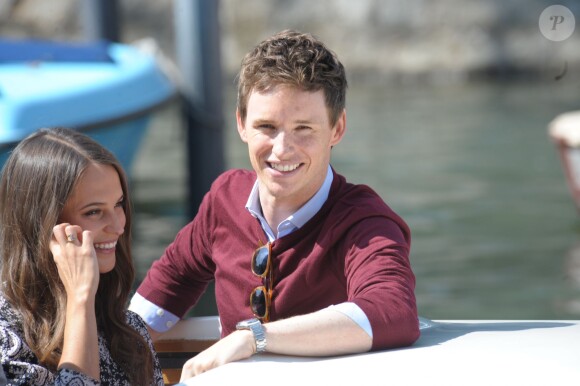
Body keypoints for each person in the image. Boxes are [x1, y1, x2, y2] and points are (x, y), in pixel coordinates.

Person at [130, 29, 419, 380]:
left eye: (303, 129)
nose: (282, 149)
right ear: (241, 125)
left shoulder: (365, 222)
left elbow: (393, 311)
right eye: (267, 126)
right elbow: (169, 286)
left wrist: (254, 338)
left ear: (337, 128)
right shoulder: (224, 198)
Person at [0, 128, 164, 385]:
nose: (118, 226)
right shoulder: (6, 339)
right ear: (44, 226)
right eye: (93, 212)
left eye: (118, 204)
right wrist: (79, 299)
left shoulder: (126, 328)